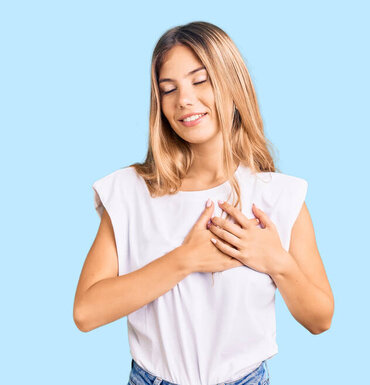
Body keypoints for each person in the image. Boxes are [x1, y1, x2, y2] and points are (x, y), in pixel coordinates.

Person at [72, 21, 334, 385]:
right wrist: (185, 260)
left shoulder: (277, 196)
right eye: (168, 89)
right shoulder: (132, 191)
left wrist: (276, 261)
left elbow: (320, 319)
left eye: (200, 80)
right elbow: (86, 312)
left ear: (232, 83)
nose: (184, 100)